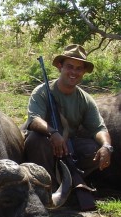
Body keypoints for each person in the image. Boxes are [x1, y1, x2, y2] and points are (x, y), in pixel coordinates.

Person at [22, 44, 113, 202]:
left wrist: (106, 146)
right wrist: (53, 133)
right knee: (36, 140)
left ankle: (72, 181)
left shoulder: (85, 99)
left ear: (83, 72)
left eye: (79, 68)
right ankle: (48, 188)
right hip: (45, 143)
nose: (74, 72)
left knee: (95, 149)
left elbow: (98, 128)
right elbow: (33, 119)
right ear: (60, 66)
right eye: (69, 66)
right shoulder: (42, 91)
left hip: (68, 146)